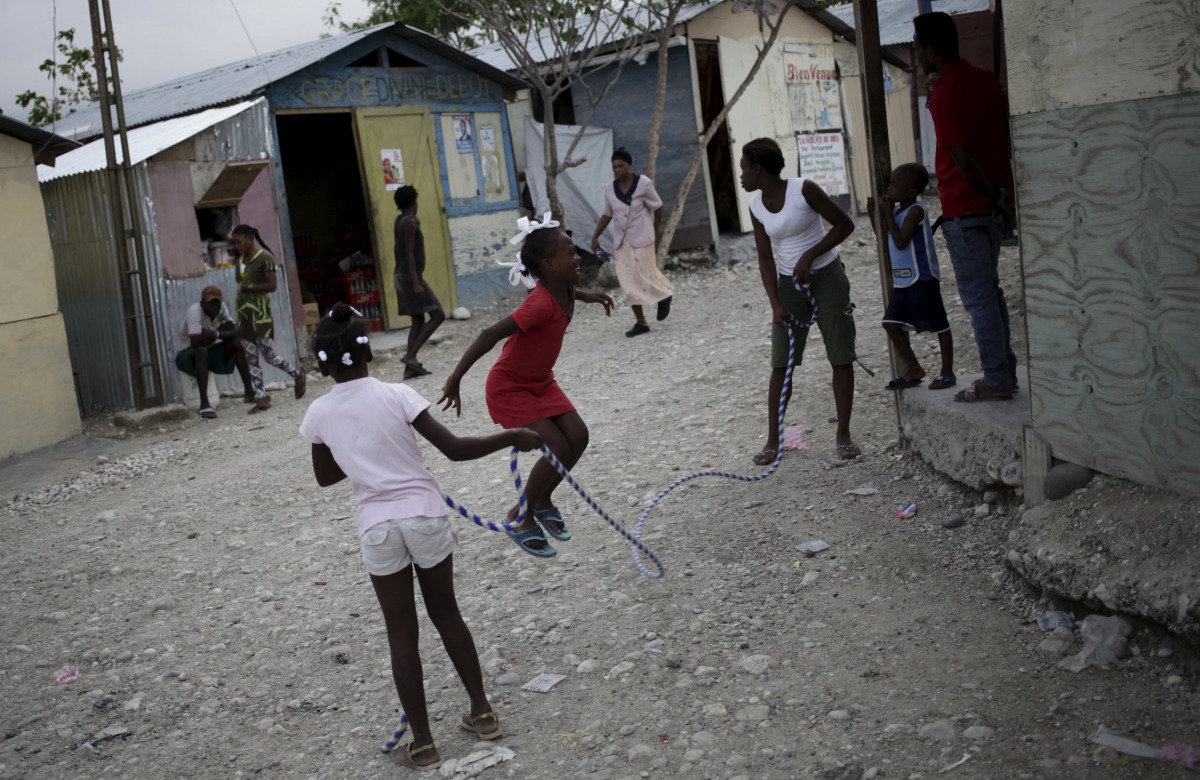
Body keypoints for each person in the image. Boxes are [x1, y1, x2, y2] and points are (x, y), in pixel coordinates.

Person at [299, 303, 540, 771]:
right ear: (368, 353)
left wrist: (352, 449)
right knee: (447, 615)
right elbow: (453, 449)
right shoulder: (397, 394)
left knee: (401, 636)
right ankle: (483, 713)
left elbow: (326, 477)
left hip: (378, 527)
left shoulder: (319, 412)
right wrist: (512, 437)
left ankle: (425, 744)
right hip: (425, 516)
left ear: (323, 364)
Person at [439, 220, 614, 558]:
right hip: (510, 387)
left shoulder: (562, 288)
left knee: (578, 436)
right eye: (570, 253)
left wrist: (587, 295)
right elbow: (489, 335)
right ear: (548, 266)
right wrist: (456, 378)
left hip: (540, 381)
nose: (578, 257)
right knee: (557, 445)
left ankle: (544, 498)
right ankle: (520, 515)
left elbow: (566, 293)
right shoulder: (538, 303)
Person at [914, 11, 1018, 403]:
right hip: (990, 209)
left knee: (979, 298)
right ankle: (1004, 371)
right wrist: (1001, 197)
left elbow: (961, 158)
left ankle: (996, 378)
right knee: (990, 292)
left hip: (968, 208)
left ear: (932, 49)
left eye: (918, 48)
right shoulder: (983, 80)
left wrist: (989, 192)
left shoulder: (948, 92)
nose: (917, 55)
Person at [741, 137, 858, 464]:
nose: (741, 177)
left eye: (743, 169)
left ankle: (843, 434)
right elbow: (765, 259)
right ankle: (773, 440)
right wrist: (775, 304)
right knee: (782, 364)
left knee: (840, 354)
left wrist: (810, 254)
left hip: (828, 279)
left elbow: (844, 224)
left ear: (758, 168)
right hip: (789, 287)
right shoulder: (755, 206)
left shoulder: (803, 189)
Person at [867, 163, 956, 391]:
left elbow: (901, 241)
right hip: (904, 279)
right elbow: (885, 238)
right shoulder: (897, 211)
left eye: (894, 186)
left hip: (922, 277)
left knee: (940, 325)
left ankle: (947, 372)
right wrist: (873, 215)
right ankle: (914, 368)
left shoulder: (916, 210)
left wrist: (886, 212)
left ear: (910, 192)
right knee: (890, 323)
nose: (888, 189)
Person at [590, 147, 674, 338]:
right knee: (627, 280)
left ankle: (665, 295)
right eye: (614, 167)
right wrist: (595, 237)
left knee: (647, 273)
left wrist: (654, 229)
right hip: (622, 241)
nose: (618, 170)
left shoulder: (643, 183)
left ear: (629, 165)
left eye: (621, 166)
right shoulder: (609, 189)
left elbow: (658, 206)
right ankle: (641, 322)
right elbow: (607, 214)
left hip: (643, 237)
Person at [232, 223, 306, 413]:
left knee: (269, 355)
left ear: (250, 239)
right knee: (251, 358)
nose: (237, 245)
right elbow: (239, 282)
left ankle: (297, 374)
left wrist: (250, 288)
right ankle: (262, 396)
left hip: (260, 316)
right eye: (235, 242)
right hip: (244, 316)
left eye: (239, 241)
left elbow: (272, 286)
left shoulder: (264, 259)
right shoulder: (240, 261)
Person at [174, 285, 255, 418]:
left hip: (208, 348)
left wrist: (213, 334)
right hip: (186, 355)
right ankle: (205, 405)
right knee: (201, 350)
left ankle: (249, 392)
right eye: (210, 303)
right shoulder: (194, 311)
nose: (214, 307)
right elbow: (195, 343)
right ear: (203, 303)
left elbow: (236, 333)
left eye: (217, 303)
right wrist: (222, 333)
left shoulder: (222, 308)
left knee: (236, 344)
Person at [392, 186, 446, 380]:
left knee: (418, 319)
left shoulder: (401, 220)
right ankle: (410, 356)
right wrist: (416, 282)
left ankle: (410, 368)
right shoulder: (409, 224)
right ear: (414, 202)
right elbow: (409, 255)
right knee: (438, 314)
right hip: (409, 277)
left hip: (403, 276)